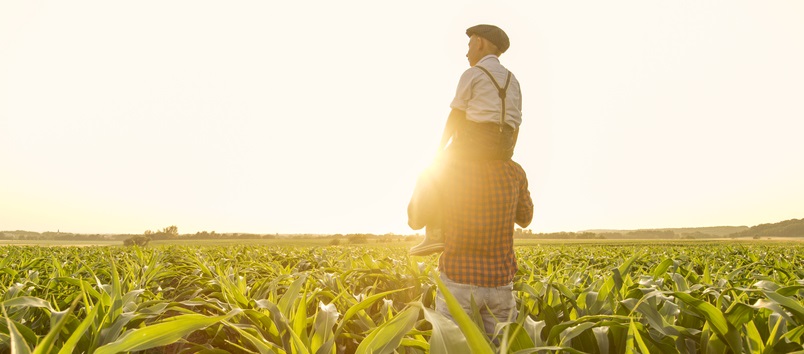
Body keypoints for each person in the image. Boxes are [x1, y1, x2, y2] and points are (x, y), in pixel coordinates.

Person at [409, 24, 524, 256]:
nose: (467, 51)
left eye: (470, 44)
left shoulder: (472, 74)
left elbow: (457, 115)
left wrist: (439, 151)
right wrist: (507, 155)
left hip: (476, 141)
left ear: (480, 42)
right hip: (505, 146)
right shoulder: (514, 81)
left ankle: (435, 233)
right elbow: (516, 123)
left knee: (430, 173)